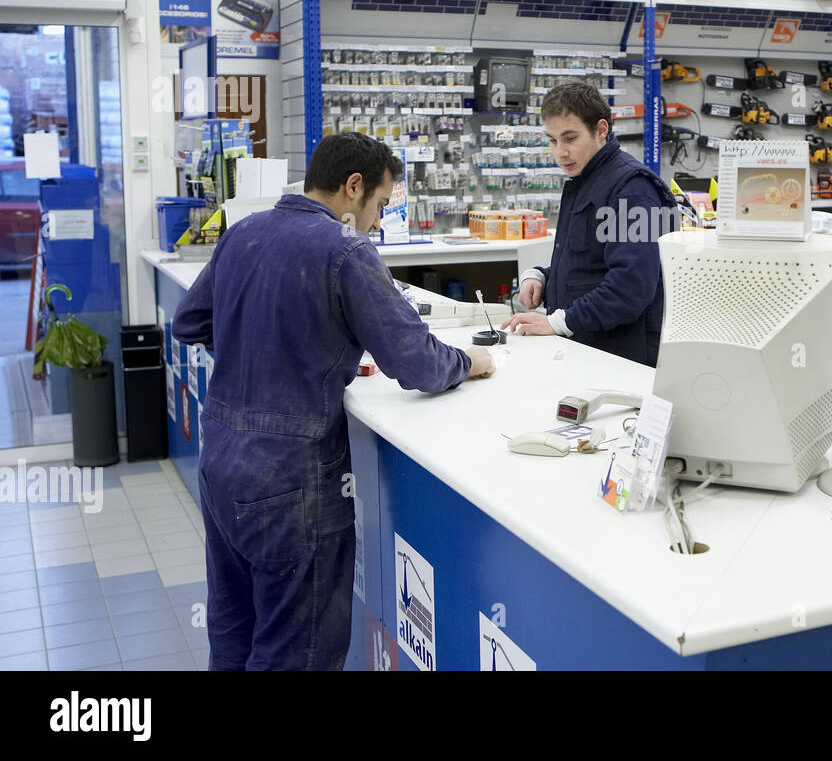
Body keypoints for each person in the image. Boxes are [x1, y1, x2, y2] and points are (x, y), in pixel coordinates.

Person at [172, 132, 494, 670]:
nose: (377, 221)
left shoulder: (244, 232)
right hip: (291, 483)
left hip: (220, 464)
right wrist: (469, 361)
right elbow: (414, 361)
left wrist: (263, 347)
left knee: (233, 636)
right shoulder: (345, 250)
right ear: (353, 187)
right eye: (381, 205)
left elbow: (190, 321)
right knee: (297, 653)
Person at [501, 80, 678, 366]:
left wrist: (560, 322)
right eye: (553, 140)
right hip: (589, 352)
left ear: (601, 130)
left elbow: (630, 287)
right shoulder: (586, 181)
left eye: (570, 138)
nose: (560, 152)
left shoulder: (634, 190)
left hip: (624, 361)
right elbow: (592, 266)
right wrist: (543, 277)